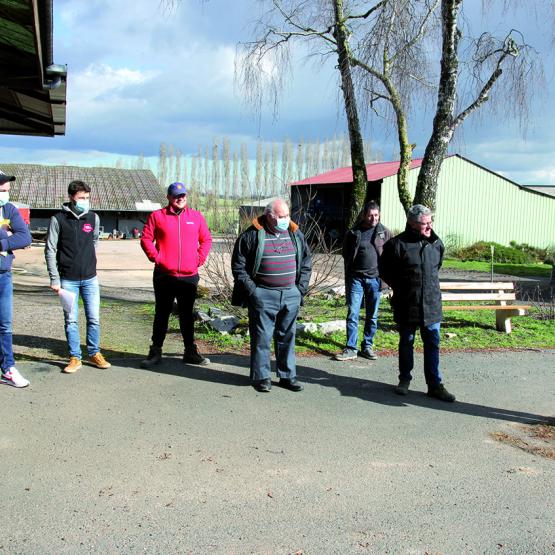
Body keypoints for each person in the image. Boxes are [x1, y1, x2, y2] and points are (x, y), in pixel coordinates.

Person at [231, 198, 312, 393]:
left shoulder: (295, 233)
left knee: (288, 336)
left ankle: (287, 376)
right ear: (269, 216)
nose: (286, 220)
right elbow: (238, 266)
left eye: (287, 215)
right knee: (262, 337)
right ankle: (262, 377)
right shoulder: (251, 235)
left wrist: (300, 289)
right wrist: (253, 291)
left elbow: (307, 261)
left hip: (290, 293)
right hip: (263, 295)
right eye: (281, 217)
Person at [379, 204, 455, 402]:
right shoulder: (396, 245)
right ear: (412, 224)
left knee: (432, 344)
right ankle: (404, 380)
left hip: (431, 304)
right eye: (424, 224)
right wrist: (404, 287)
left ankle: (435, 385)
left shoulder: (436, 243)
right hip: (407, 303)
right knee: (407, 342)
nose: (429, 227)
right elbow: (385, 271)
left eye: (430, 222)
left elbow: (436, 266)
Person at [140, 182, 212, 368]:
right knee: (162, 313)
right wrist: (156, 258)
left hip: (189, 275)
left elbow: (206, 239)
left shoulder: (195, 217)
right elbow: (146, 239)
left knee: (187, 315)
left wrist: (199, 259)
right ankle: (155, 351)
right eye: (176, 195)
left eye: (183, 195)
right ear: (169, 197)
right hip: (164, 275)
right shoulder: (157, 216)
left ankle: (190, 351)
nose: (180, 198)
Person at [45, 180, 111, 374]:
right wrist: (54, 279)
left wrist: (89, 261)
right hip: (68, 281)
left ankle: (94, 352)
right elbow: (50, 250)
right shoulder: (58, 219)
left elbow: (95, 242)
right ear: (71, 197)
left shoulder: (93, 218)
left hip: (90, 279)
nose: (85, 201)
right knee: (71, 320)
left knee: (94, 318)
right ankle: (75, 357)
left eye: (87, 198)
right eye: (81, 198)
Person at [335, 201, 392, 361]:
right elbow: (346, 253)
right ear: (364, 215)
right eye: (370, 215)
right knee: (353, 313)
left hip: (375, 280)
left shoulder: (385, 233)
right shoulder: (354, 232)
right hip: (356, 279)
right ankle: (351, 348)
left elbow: (391, 256)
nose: (373, 218)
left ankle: (367, 346)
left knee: (372, 316)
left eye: (376, 215)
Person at [0, 170, 32, 387]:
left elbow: (25, 236)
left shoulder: (8, 209)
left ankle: (8, 368)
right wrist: (6, 234)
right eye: (2, 190)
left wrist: (3, 242)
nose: (6, 193)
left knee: (4, 325)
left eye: (7, 190)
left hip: (3, 275)